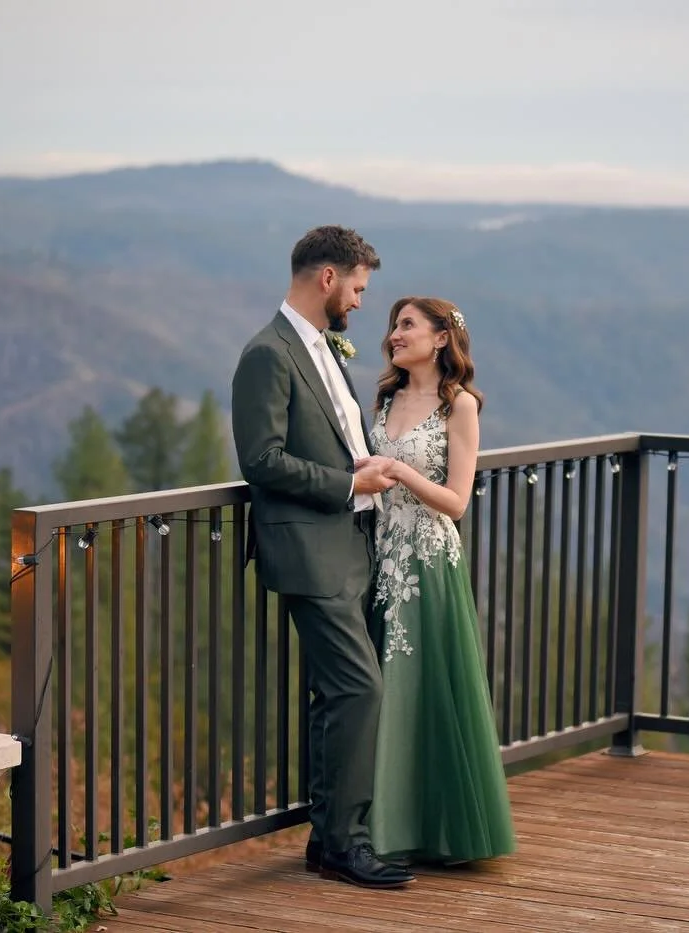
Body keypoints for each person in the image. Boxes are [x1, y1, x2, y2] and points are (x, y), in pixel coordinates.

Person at [230, 226, 415, 889]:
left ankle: (328, 839)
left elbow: (328, 438)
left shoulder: (324, 349)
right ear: (329, 278)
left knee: (334, 694)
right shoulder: (267, 354)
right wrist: (347, 484)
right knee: (359, 687)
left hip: (352, 545)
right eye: (359, 288)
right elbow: (261, 459)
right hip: (310, 550)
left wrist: (361, 464)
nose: (363, 305)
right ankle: (346, 843)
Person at [360, 296, 517, 866]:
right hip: (379, 557)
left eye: (407, 325)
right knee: (382, 690)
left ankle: (435, 830)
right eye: (394, 326)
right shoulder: (384, 397)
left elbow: (455, 502)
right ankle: (380, 827)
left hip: (428, 561)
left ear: (441, 337)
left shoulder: (462, 407)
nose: (394, 335)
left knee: (427, 685)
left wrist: (399, 471)